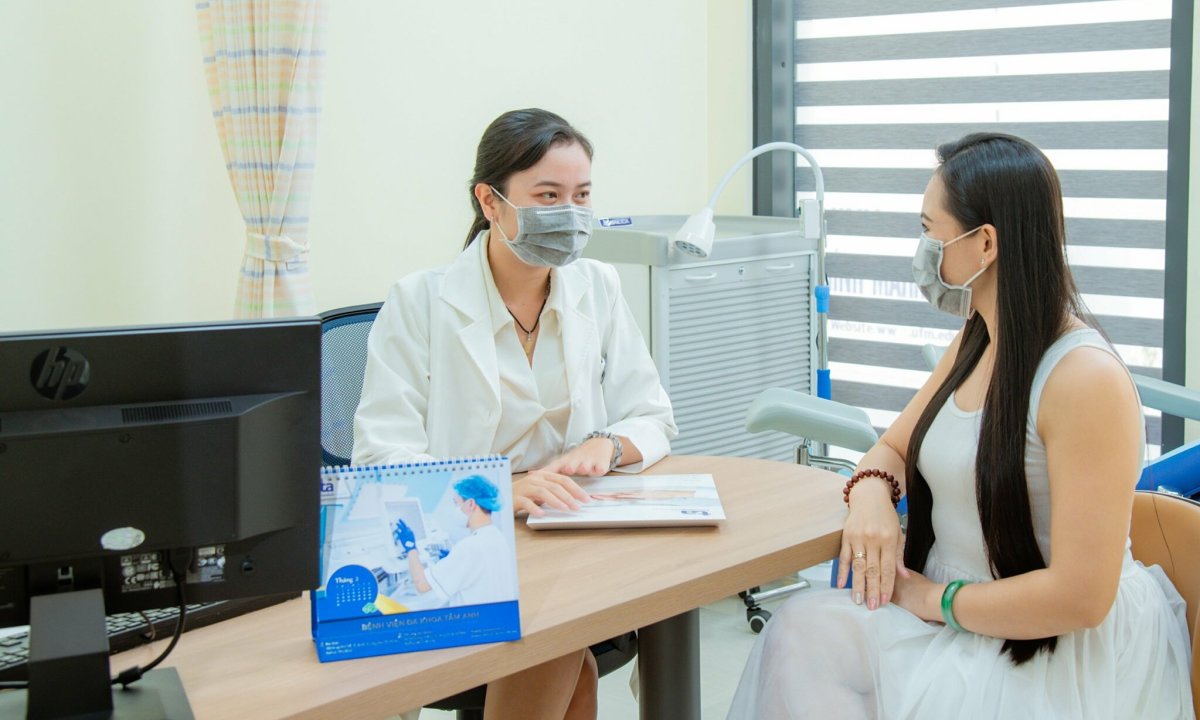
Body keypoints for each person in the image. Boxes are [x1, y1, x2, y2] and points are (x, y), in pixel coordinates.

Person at [727, 133, 1194, 719]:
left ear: (985, 243)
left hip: (1046, 646)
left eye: (930, 231)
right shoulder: (978, 337)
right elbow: (894, 445)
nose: (923, 250)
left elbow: (1081, 597)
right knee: (798, 633)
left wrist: (930, 598)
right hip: (954, 613)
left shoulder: (1083, 379)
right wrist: (870, 494)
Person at [353, 108, 677, 720]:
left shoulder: (598, 286)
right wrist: (505, 489)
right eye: (548, 196)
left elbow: (652, 416)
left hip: (572, 534)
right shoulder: (420, 302)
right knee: (563, 654)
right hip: (463, 539)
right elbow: (380, 458)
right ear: (491, 201)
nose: (571, 215)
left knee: (566, 647)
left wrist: (606, 446)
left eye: (582, 196)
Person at [395, 475, 517, 607]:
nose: (454, 509)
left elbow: (422, 585)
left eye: (456, 503)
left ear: (470, 504)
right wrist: (451, 558)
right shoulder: (497, 536)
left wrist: (410, 546)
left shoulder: (469, 547)